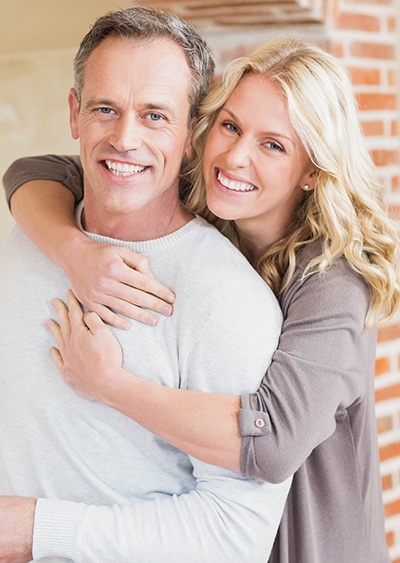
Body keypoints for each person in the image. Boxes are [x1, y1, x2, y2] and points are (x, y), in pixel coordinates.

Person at [3, 37, 399, 563]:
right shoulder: (207, 198)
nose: (236, 156)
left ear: (313, 170)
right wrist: (73, 251)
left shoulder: (334, 281)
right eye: (231, 126)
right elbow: (35, 171)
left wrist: (110, 384)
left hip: (310, 542)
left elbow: (273, 441)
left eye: (274, 145)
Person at [0, 7, 293, 563]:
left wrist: (35, 531)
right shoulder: (31, 236)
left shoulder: (226, 301)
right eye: (105, 108)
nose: (125, 138)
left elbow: (236, 535)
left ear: (191, 135)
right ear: (74, 113)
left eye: (155, 115)